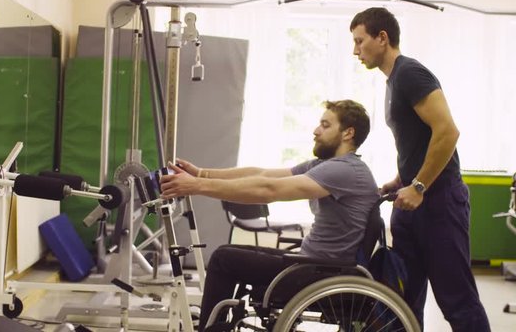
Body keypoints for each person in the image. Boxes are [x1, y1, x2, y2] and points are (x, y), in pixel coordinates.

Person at [160, 100, 380, 332]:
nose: (316, 131)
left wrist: (196, 186)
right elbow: (262, 174)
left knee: (224, 259)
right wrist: (201, 174)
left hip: (318, 272)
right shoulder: (328, 165)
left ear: (348, 133)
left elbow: (269, 190)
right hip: (313, 265)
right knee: (229, 253)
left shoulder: (343, 170)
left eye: (325, 125)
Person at [350, 7, 490, 331]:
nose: (355, 50)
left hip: (438, 200)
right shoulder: (393, 81)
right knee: (402, 300)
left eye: (360, 41)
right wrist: (400, 180)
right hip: (413, 200)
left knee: (456, 299)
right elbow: (419, 141)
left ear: (382, 38)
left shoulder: (410, 73)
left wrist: (420, 186)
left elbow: (447, 131)